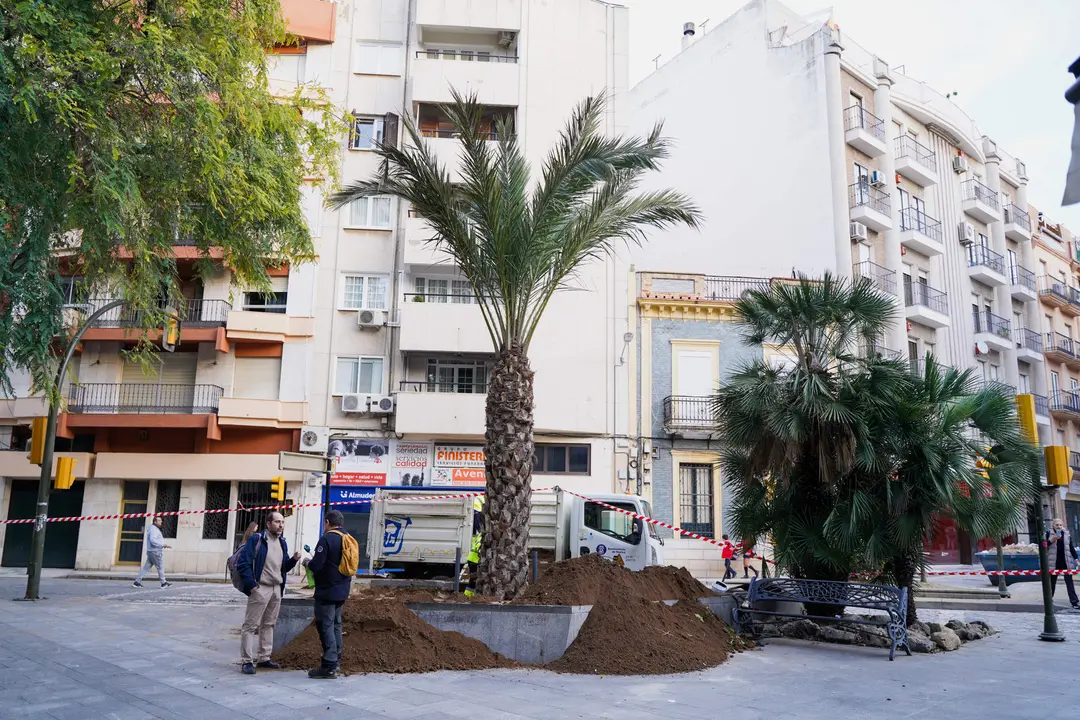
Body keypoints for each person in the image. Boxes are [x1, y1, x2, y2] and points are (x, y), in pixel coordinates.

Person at [236, 511, 300, 675]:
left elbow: (283, 567)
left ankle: (264, 658)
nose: (281, 525)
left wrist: (293, 560)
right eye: (277, 522)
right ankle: (247, 661)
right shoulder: (257, 540)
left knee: (269, 624)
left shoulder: (282, 542)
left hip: (276, 589)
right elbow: (243, 563)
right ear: (268, 524)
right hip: (260, 588)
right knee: (250, 626)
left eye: (282, 522)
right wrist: (252, 586)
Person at [303, 510, 355, 679]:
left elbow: (316, 565)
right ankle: (336, 660)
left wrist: (307, 562)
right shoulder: (348, 538)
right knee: (336, 625)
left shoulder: (327, 538)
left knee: (325, 626)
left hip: (327, 591)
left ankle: (329, 665)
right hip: (342, 590)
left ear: (327, 522)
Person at [1046, 518, 1080, 609]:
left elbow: (1071, 547)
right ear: (1053, 525)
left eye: (1060, 525)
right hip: (1054, 562)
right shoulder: (1048, 533)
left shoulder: (1067, 534)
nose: (1059, 527)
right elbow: (1043, 545)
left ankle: (1074, 602)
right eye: (1057, 525)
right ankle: (1049, 600)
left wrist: (1076, 559)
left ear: (1063, 526)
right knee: (1052, 582)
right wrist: (1052, 539)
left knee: (1069, 582)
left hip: (1066, 562)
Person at [133, 516, 172, 588]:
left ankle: (137, 582)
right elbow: (152, 540)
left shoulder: (153, 529)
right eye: (159, 520)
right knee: (160, 566)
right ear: (155, 522)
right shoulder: (154, 530)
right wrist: (162, 545)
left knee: (146, 567)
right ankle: (163, 583)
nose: (161, 522)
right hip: (155, 551)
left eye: (161, 520)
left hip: (152, 551)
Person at [464, 495, 486, 597]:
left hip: (473, 560)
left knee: (472, 583)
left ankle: (467, 598)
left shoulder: (481, 535)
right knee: (473, 583)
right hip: (476, 560)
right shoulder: (484, 537)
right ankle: (467, 598)